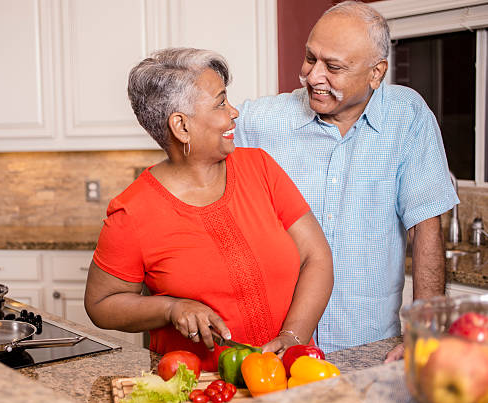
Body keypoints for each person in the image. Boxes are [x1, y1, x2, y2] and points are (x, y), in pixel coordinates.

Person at [84, 47, 333, 372]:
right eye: (220, 103)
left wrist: (293, 337)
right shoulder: (132, 213)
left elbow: (317, 257)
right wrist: (171, 309)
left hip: (290, 377)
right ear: (181, 127)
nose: (233, 112)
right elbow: (100, 305)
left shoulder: (261, 168)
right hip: (201, 391)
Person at [234, 1, 459, 359]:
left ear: (376, 73)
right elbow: (197, 132)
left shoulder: (407, 117)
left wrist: (426, 330)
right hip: (276, 347)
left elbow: (425, 228)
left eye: (333, 67)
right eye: (310, 58)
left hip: (367, 343)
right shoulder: (264, 119)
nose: (312, 76)